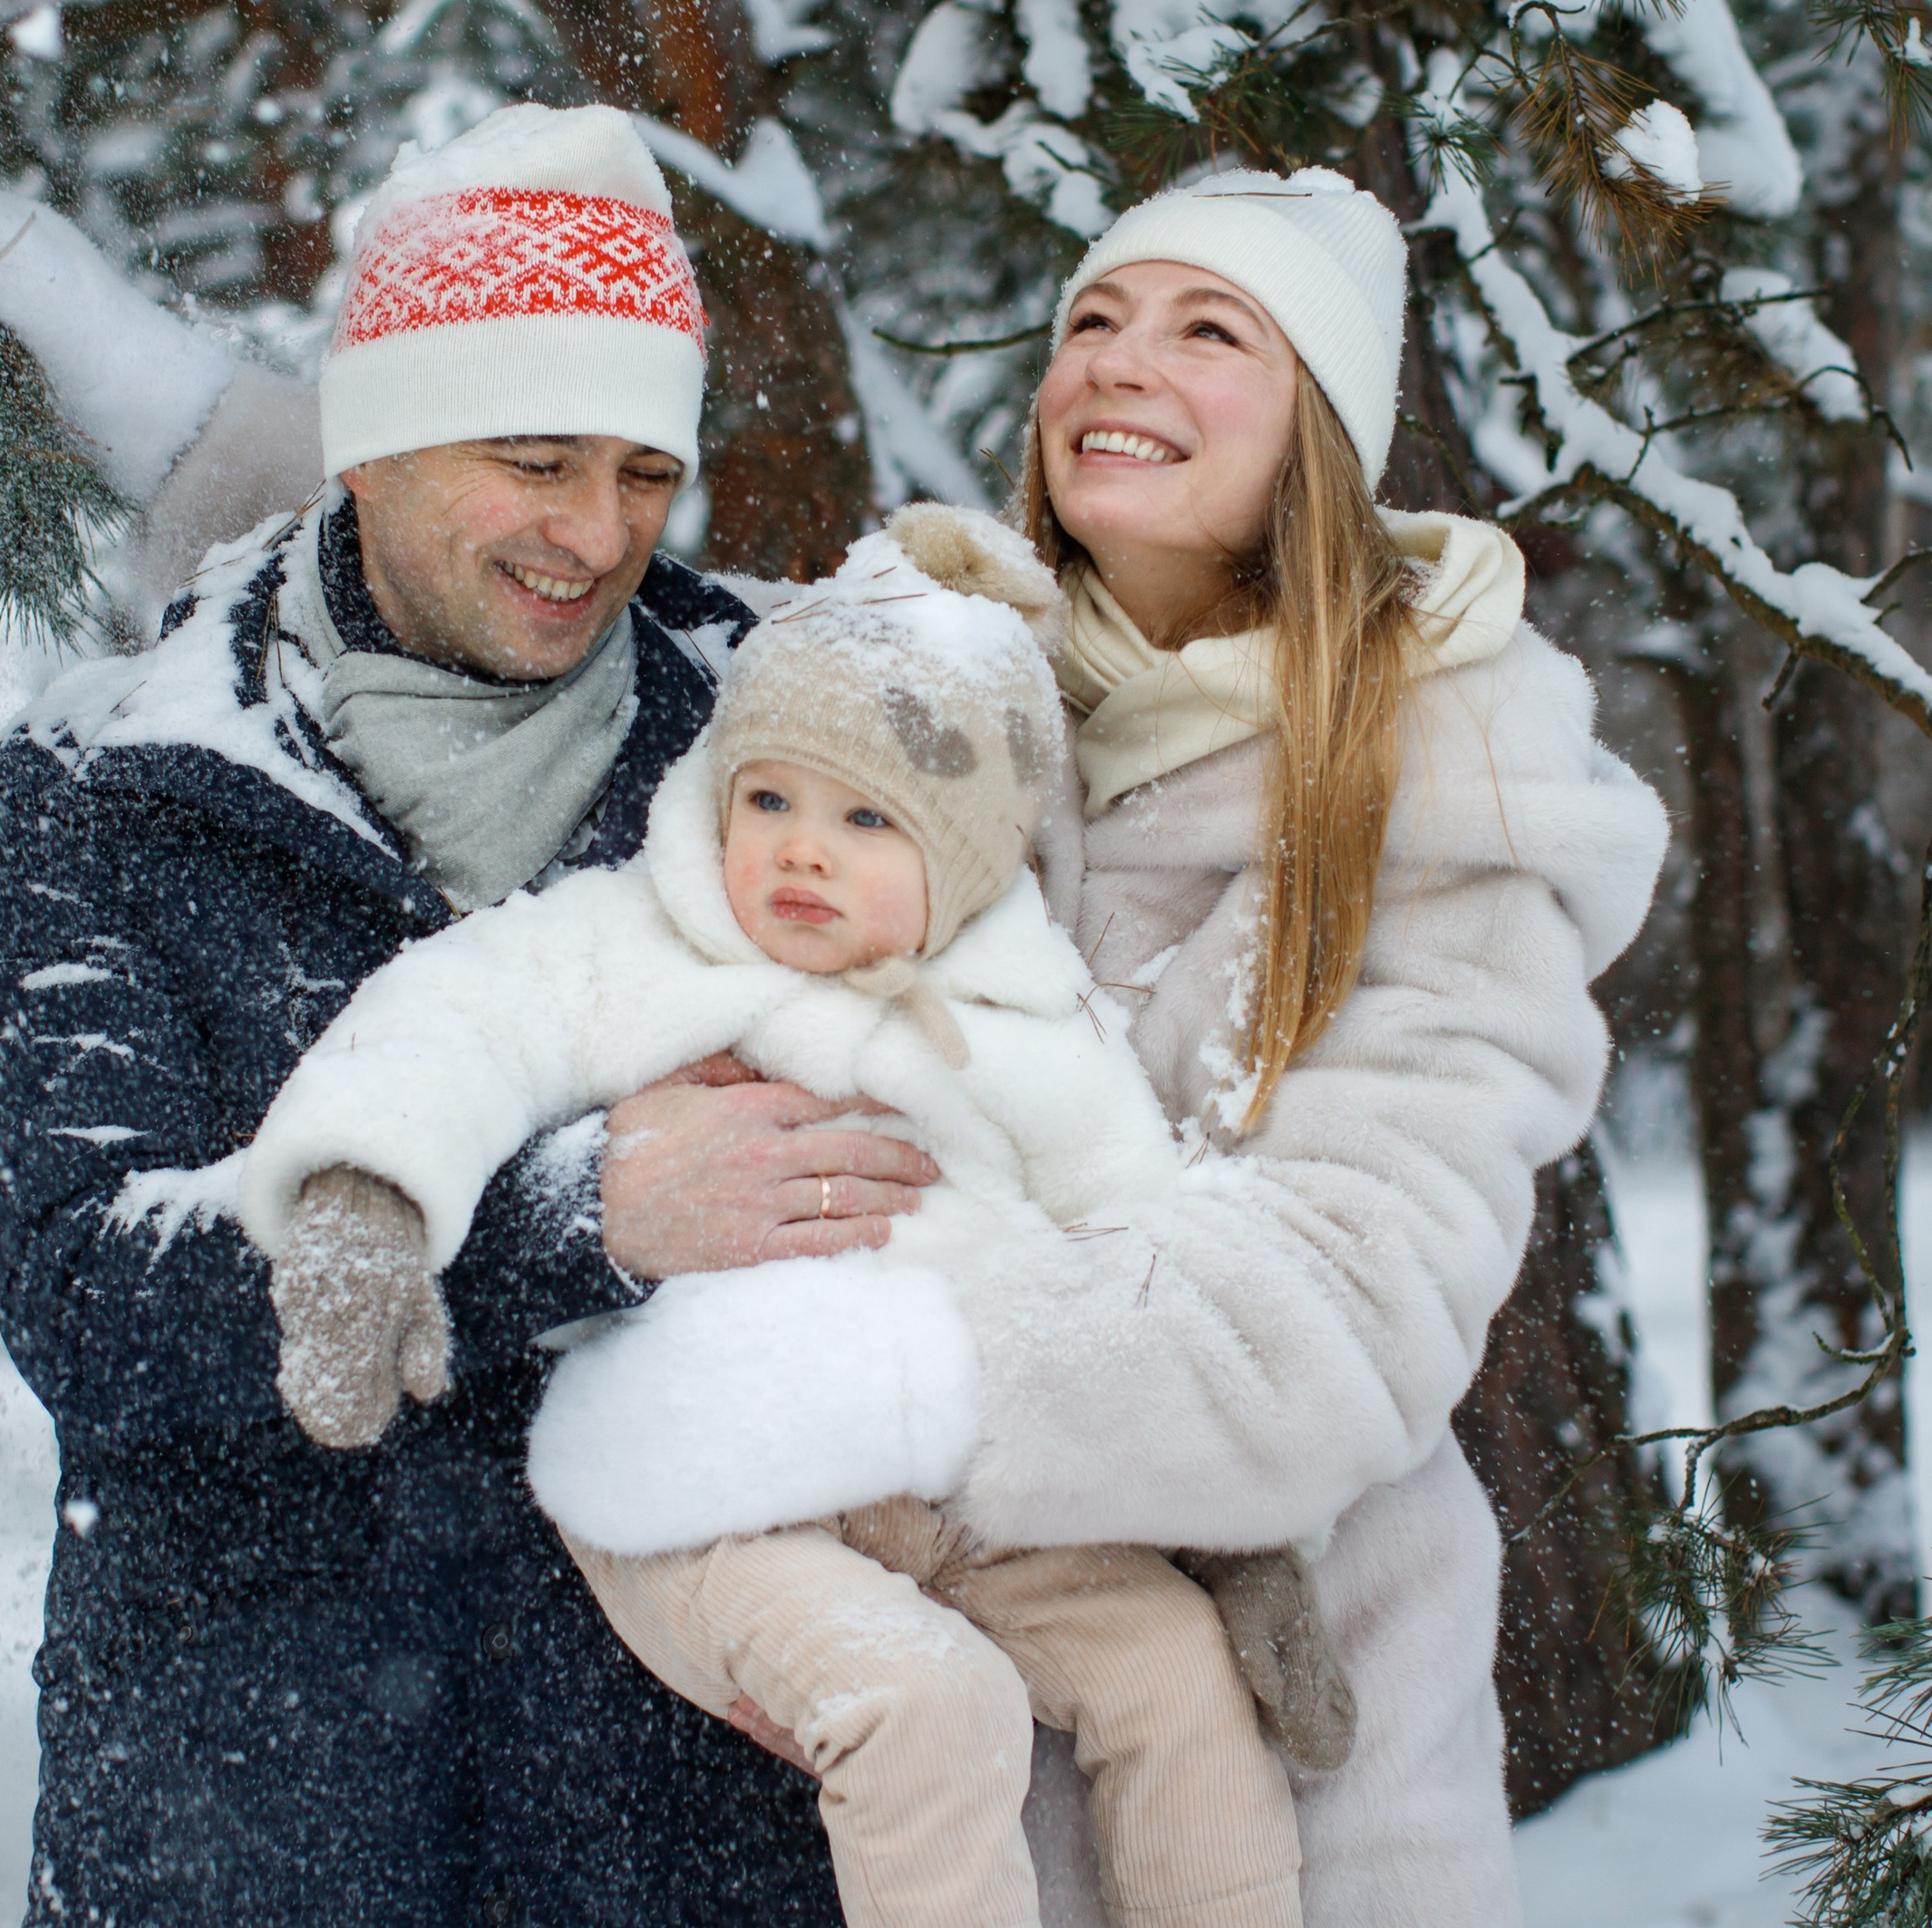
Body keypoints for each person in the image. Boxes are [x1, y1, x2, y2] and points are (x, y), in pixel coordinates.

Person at [605, 167, 1670, 1924]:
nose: (1118, 361)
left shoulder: (1448, 783)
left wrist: (858, 1383)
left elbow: (1341, 1306)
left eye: (1208, 331)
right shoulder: (924, 691)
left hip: (1293, 1747)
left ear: (1319, 425)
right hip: (924, 1755)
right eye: (1091, 319)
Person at [0, 102, 931, 1925]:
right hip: (256, 1828)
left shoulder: (783, 749)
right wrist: (571, 1218)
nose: (594, 533)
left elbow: (968, 1156)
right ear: (379, 441)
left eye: (643, 471)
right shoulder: (111, 785)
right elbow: (88, 1297)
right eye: (535, 458)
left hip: (689, 1830)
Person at [164, 501, 1342, 1928]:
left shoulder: (1031, 1018)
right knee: (930, 1704)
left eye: (866, 820)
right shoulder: (645, 937)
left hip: (967, 1499)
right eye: (770, 800)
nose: (801, 853)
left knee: (1179, 1681)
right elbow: (453, 1025)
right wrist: (367, 1198)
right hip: (706, 1490)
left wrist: (1238, 1536)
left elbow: (1145, 1267)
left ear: (970, 855)